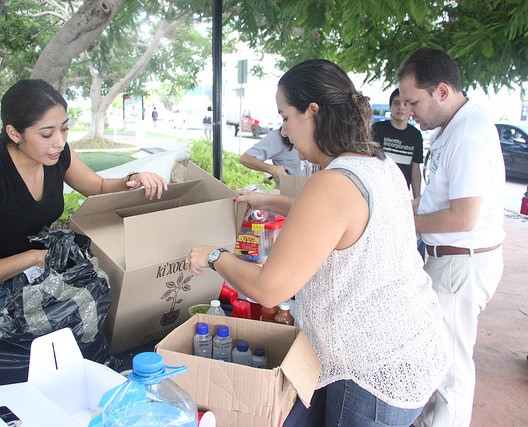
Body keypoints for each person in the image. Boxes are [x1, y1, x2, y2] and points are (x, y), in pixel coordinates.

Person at [186, 59, 447, 426]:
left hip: (370, 372)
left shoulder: (332, 182)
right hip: (412, 345)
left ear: (312, 112)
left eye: (286, 116)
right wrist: (268, 199)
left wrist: (214, 256)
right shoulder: (379, 164)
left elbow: (270, 288)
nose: (285, 131)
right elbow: (338, 222)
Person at [0, 79, 168, 334]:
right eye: (46, 134)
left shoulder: (57, 156)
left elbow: (99, 186)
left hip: (35, 282)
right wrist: (33, 257)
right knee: (13, 373)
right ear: (15, 133)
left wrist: (132, 180)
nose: (59, 142)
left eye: (65, 129)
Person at [397, 47, 505, 427]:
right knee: (437, 358)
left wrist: (405, 225)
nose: (408, 111)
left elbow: (463, 215)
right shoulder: (454, 127)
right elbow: (440, 200)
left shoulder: (468, 135)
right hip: (448, 258)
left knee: (451, 369)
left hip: (462, 261)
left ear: (442, 91)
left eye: (413, 101)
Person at [372, 88, 424, 199]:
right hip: (378, 190)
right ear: (390, 107)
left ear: (411, 109)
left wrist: (417, 198)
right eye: (396, 103)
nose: (401, 107)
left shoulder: (416, 135)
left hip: (401, 193)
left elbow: (415, 169)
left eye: (405, 104)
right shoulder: (377, 129)